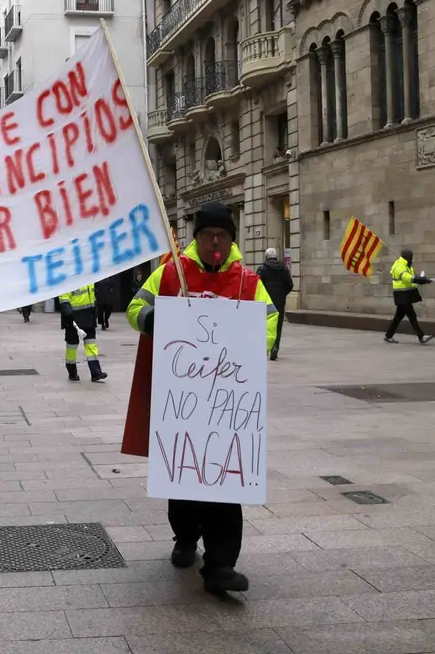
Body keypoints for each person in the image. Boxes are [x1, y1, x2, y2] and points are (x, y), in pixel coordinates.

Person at [124, 201, 278, 595]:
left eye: (223, 236)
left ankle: (221, 565)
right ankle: (185, 537)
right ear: (197, 238)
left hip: (226, 400)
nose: (215, 242)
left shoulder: (248, 282)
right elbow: (135, 306)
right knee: (185, 476)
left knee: (226, 482)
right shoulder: (171, 273)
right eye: (209, 234)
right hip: (182, 398)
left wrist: (252, 350)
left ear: (231, 240)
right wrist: (153, 320)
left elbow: (271, 320)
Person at [384, 248, 434, 344]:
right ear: (407, 257)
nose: (412, 259)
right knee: (412, 315)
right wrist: (421, 280)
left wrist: (422, 280)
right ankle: (421, 336)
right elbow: (407, 278)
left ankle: (388, 335)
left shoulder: (406, 265)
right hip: (402, 294)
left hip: (405, 294)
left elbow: (410, 280)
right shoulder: (399, 266)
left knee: (398, 316)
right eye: (411, 257)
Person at [59, 284, 107, 382]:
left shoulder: (90, 279)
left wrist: (95, 309)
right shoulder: (70, 278)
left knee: (91, 344)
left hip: (88, 316)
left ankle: (96, 372)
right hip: (72, 317)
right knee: (72, 346)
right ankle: (72, 372)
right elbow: (64, 296)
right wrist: (66, 309)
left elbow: (92, 296)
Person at [256, 247, 294, 360]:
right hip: (279, 301)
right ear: (276, 257)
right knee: (278, 326)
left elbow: (256, 284)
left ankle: (265, 347)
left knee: (264, 325)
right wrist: (282, 294)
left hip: (265, 302)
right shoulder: (284, 269)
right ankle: (275, 347)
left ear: (266, 256)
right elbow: (290, 285)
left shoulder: (262, 269)